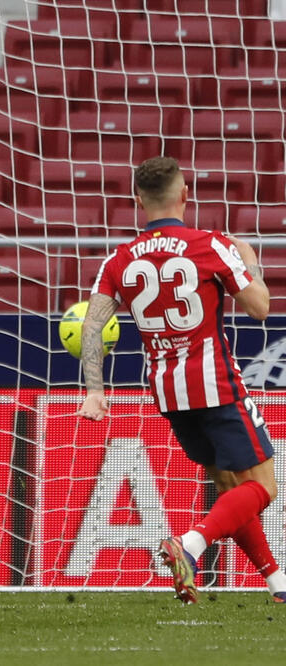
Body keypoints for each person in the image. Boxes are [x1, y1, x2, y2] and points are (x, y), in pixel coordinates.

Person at [79, 156, 283, 605]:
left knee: (230, 487)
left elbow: (92, 326)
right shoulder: (210, 244)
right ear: (185, 194)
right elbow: (260, 307)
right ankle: (189, 545)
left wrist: (95, 389)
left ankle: (277, 581)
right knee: (263, 486)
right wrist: (249, 262)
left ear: (137, 200)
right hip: (216, 384)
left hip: (169, 393)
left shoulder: (117, 259)